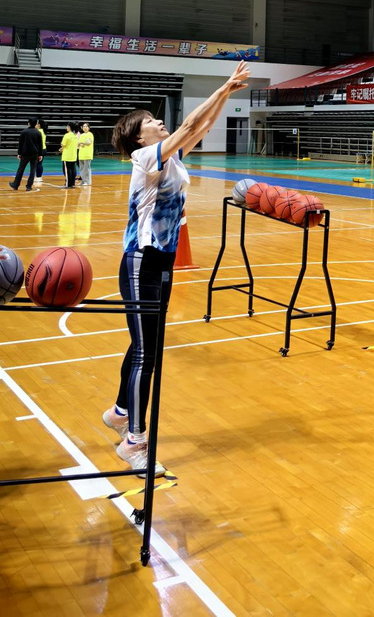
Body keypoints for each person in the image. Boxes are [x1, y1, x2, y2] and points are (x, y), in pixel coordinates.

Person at [103, 61, 251, 475]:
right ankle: (133, 441)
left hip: (163, 263)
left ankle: (119, 412)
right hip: (140, 261)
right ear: (138, 136)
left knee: (145, 346)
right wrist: (222, 86)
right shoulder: (143, 157)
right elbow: (188, 125)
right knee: (146, 353)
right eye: (150, 121)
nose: (158, 122)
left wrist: (226, 95)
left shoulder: (170, 158)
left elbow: (201, 127)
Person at [8, 117, 44, 191]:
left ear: (28, 123)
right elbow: (40, 145)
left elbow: (20, 144)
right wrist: (40, 154)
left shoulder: (24, 132)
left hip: (25, 153)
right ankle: (29, 186)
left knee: (21, 169)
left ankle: (15, 185)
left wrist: (19, 153)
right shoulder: (38, 132)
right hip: (35, 153)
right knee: (33, 170)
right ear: (36, 124)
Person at [59, 122, 79, 188]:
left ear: (70, 127)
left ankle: (68, 184)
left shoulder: (67, 135)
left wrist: (61, 148)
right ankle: (72, 183)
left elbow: (63, 144)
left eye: (67, 126)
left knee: (67, 171)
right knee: (73, 170)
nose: (66, 127)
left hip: (67, 155)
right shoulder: (75, 136)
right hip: (73, 155)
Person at [77, 121, 94, 187]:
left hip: (87, 154)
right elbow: (78, 144)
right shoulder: (81, 135)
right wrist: (79, 144)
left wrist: (82, 143)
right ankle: (83, 180)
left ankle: (87, 181)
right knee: (81, 169)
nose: (85, 127)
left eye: (86, 126)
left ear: (89, 128)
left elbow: (89, 142)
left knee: (86, 168)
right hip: (81, 154)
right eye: (84, 126)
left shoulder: (90, 134)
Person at [34, 117, 47, 185]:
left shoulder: (39, 132)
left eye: (36, 124)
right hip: (43, 149)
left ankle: (39, 177)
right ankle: (38, 176)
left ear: (39, 125)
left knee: (38, 163)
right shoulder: (43, 131)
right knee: (39, 163)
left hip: (40, 149)